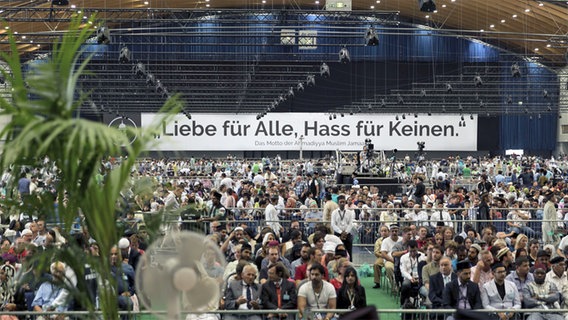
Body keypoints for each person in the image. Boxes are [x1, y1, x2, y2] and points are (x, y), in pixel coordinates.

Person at [331, 195, 355, 261]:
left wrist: (346, 232)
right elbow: (333, 224)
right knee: (338, 251)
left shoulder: (349, 212)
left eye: (343, 202)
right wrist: (341, 232)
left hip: (347, 234)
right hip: (338, 234)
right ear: (338, 203)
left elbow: (350, 224)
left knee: (349, 251)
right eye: (340, 202)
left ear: (345, 202)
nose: (342, 203)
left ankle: (350, 264)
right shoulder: (334, 212)